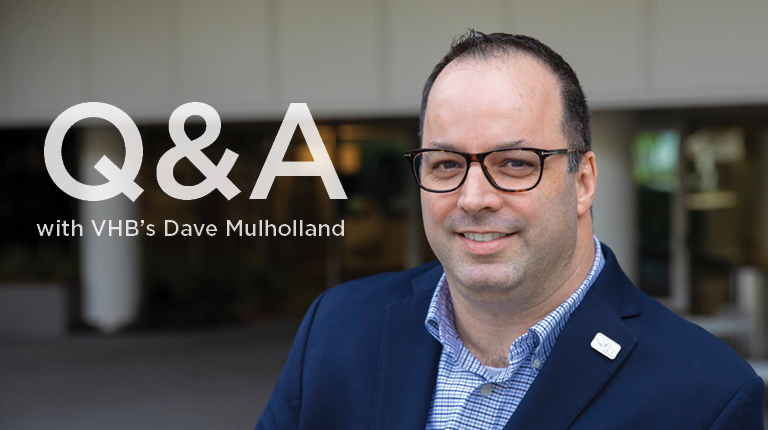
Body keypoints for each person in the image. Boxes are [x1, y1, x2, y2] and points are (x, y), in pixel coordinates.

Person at [256, 31, 764, 430]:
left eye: (516, 163)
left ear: (583, 182)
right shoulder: (337, 328)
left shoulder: (706, 395)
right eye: (446, 164)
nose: (474, 198)